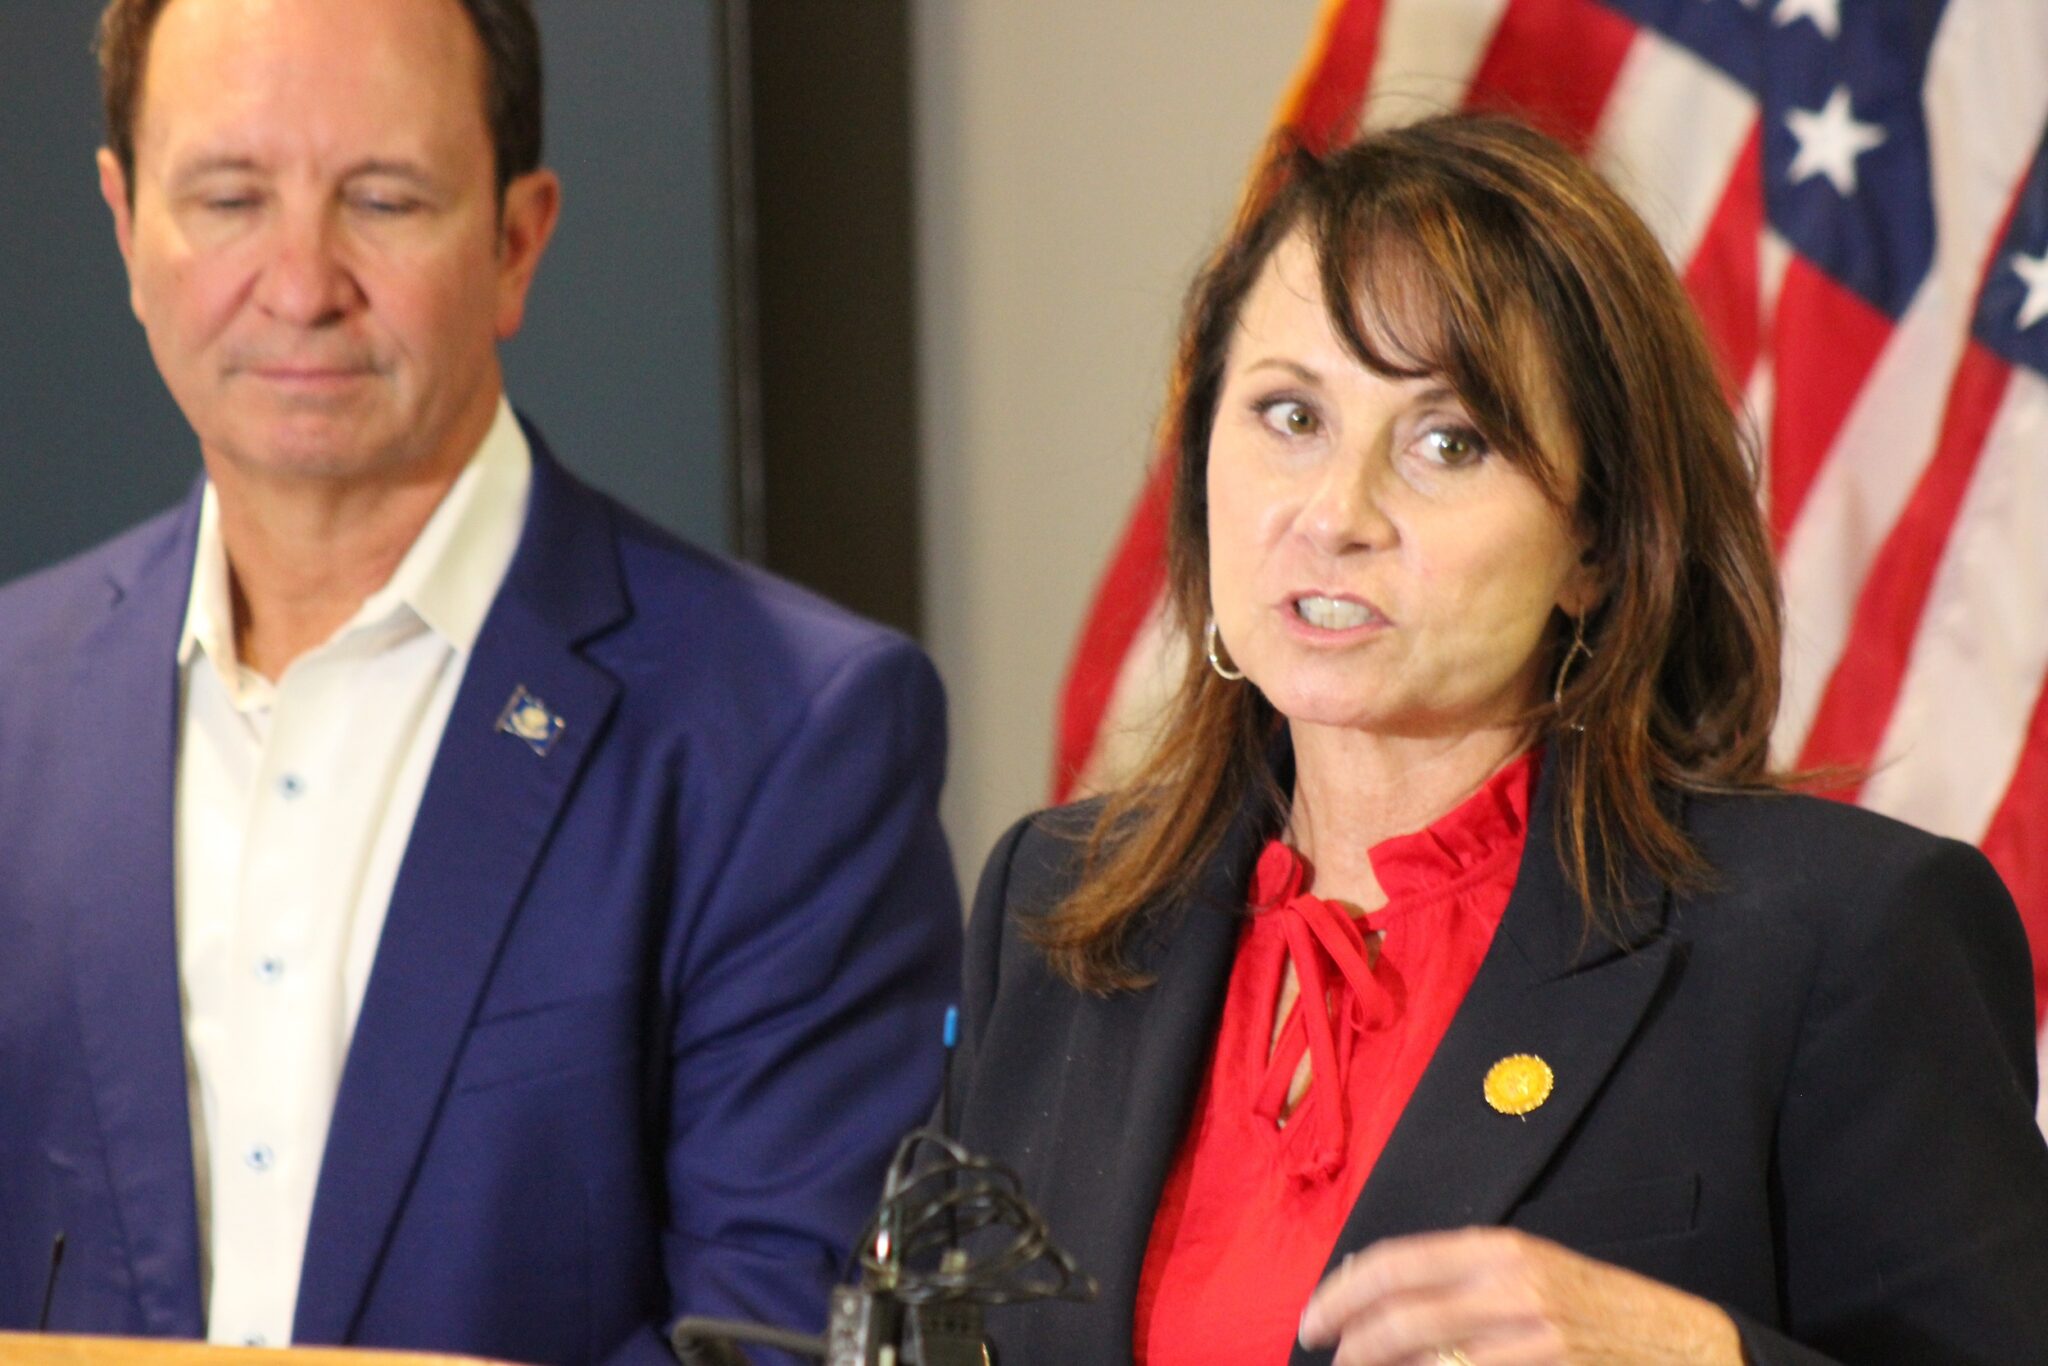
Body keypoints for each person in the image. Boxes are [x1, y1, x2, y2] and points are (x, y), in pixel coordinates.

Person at [947, 114, 2048, 1364]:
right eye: (1288, 416)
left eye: (1445, 441)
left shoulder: (1838, 938)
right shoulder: (1060, 905)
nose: (1334, 512)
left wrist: (1701, 1358)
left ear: (1594, 543)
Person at [0, 1, 961, 1362]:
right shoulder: (12, 707)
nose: (299, 281)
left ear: (518, 240)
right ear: (123, 224)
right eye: (227, 198)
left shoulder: (793, 736)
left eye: (382, 200)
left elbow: (776, 1338)